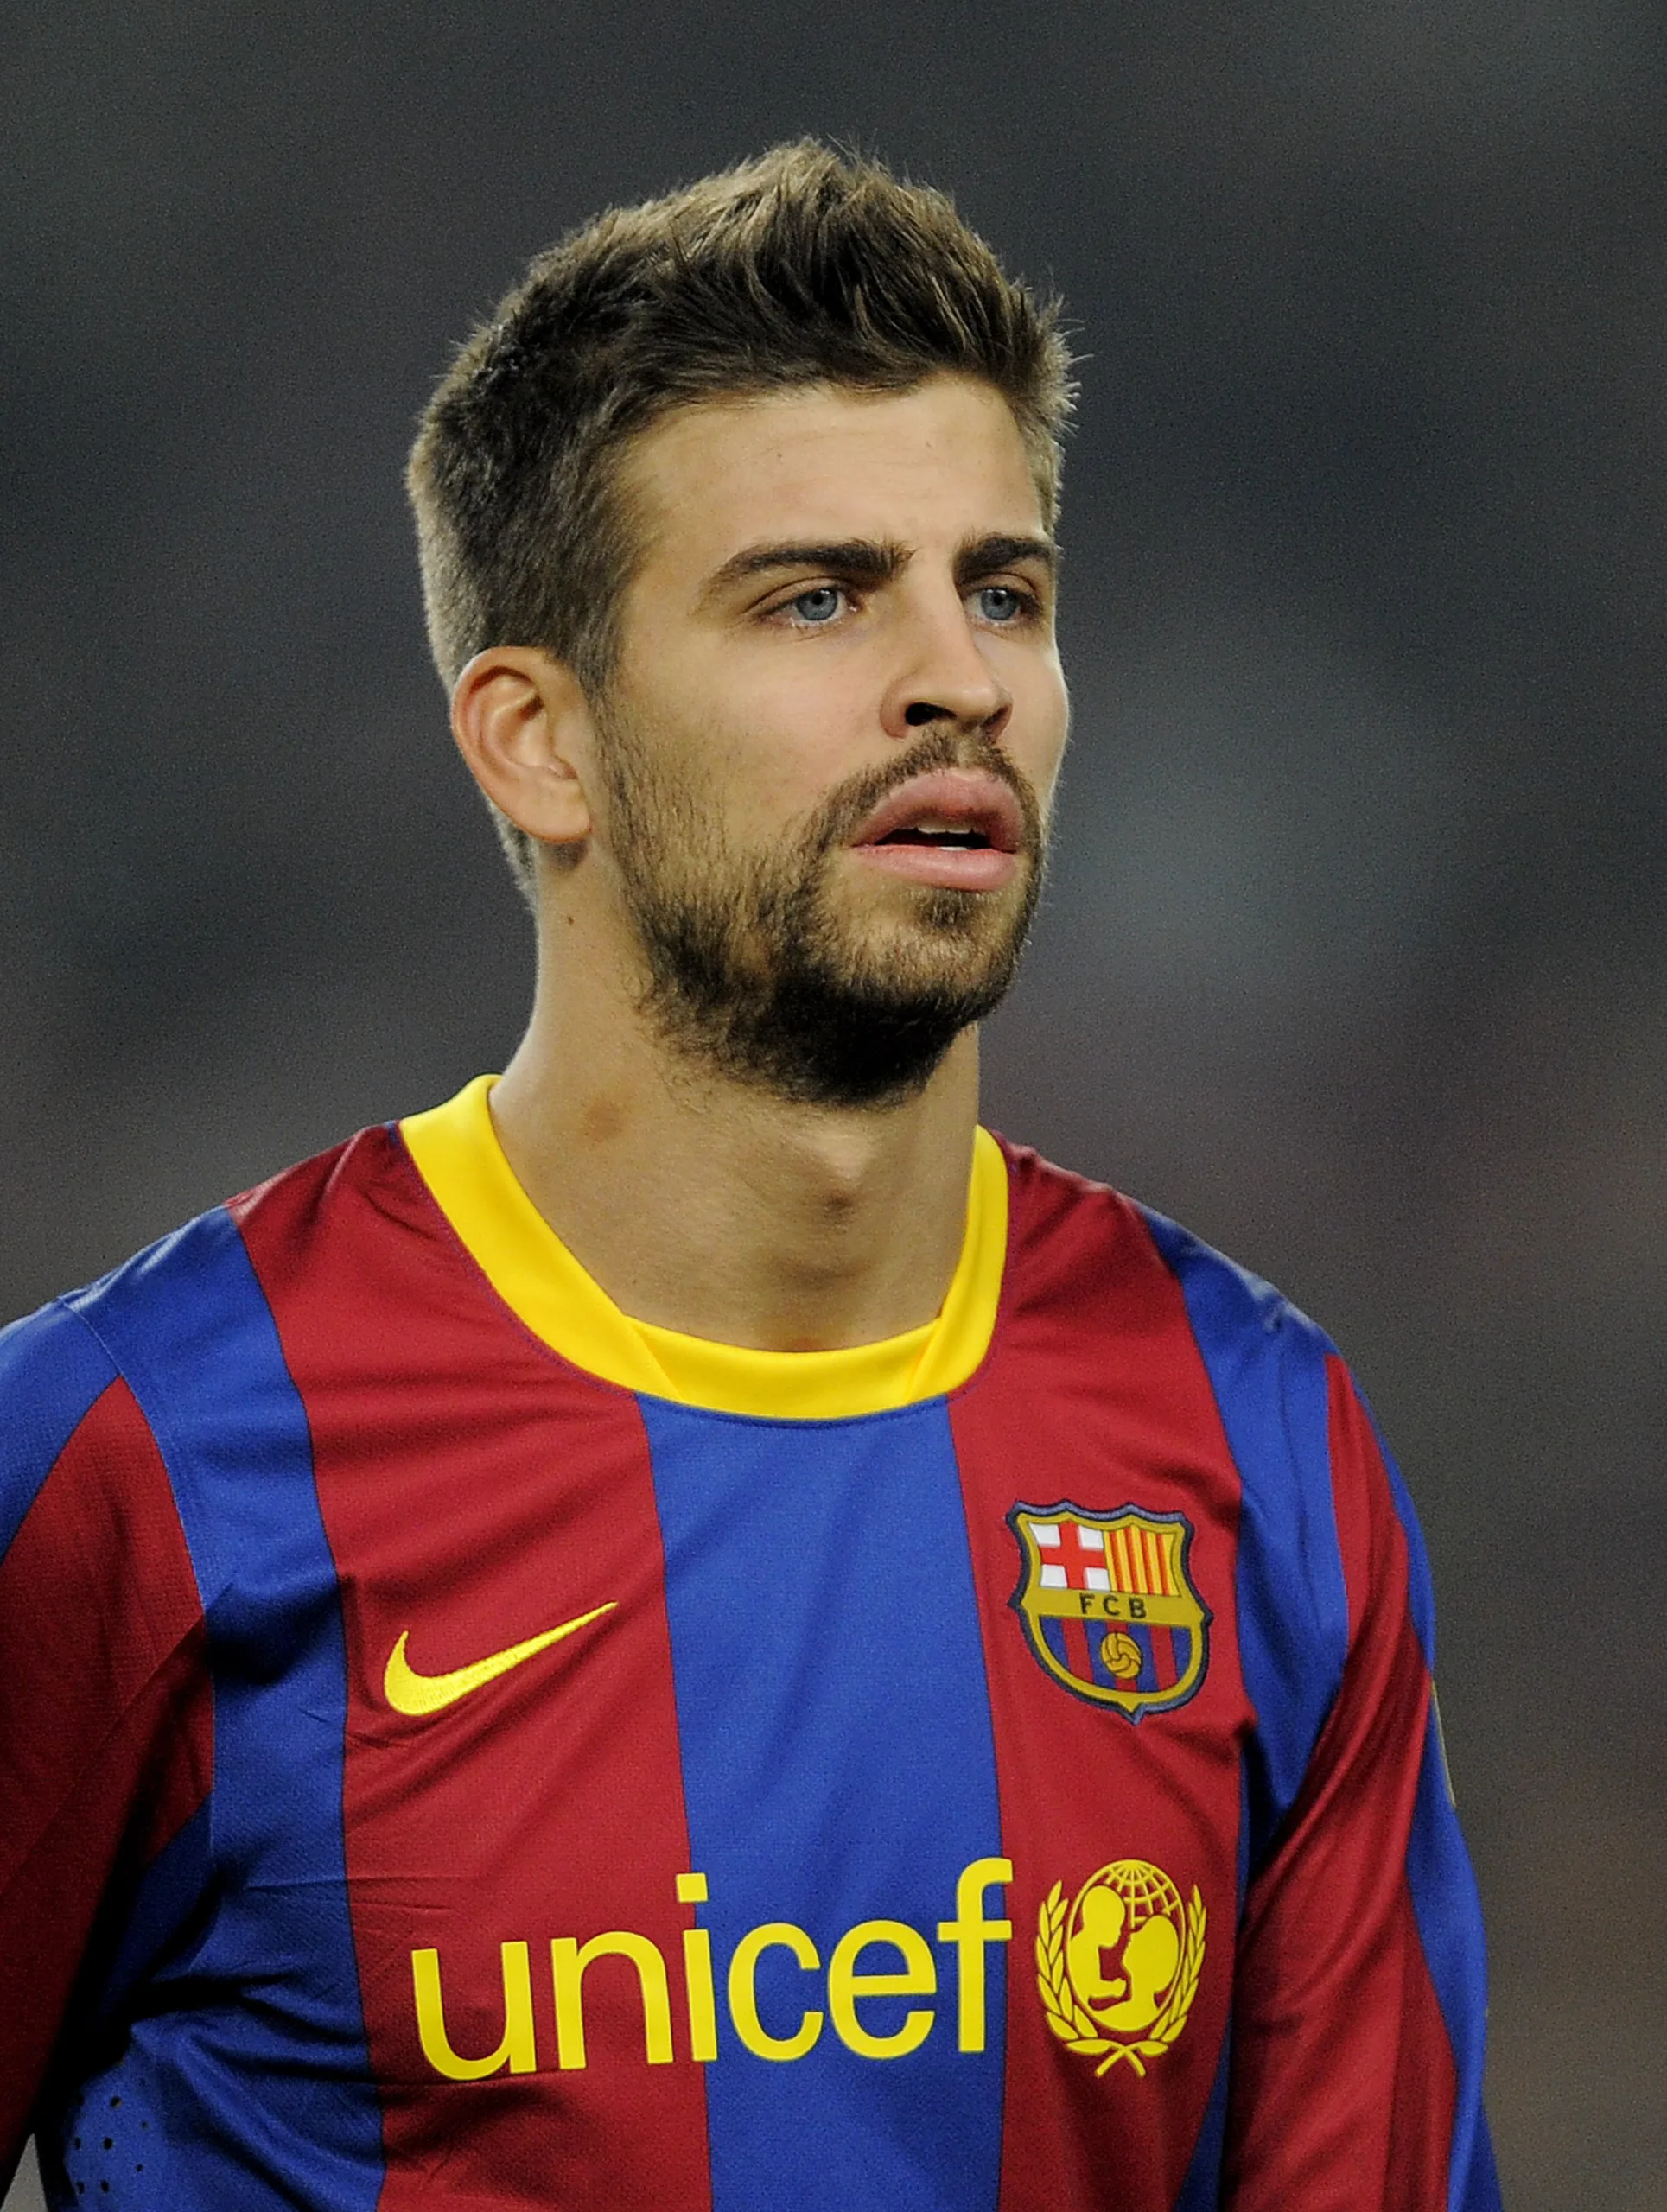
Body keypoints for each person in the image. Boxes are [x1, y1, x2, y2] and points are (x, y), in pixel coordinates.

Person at [0, 143, 1500, 2211]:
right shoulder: (128, 1459)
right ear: (540, 741)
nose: (956, 675)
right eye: (814, 595)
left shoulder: (1253, 1440)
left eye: (1004, 588)